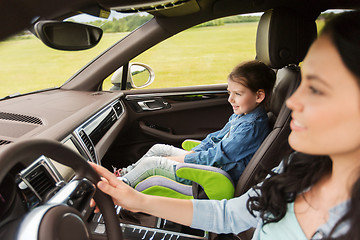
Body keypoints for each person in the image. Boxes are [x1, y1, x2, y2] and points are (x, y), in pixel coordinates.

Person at [90, 11, 360, 239]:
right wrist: (137, 200)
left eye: (317, 89)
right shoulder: (297, 168)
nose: (294, 101)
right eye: (302, 83)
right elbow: (232, 215)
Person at [116, 60, 276, 187]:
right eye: (229, 93)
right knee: (157, 149)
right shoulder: (242, 116)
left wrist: (180, 160)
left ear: (259, 96)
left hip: (211, 175)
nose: (230, 99)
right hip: (209, 165)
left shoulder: (251, 127)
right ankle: (123, 174)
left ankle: (119, 187)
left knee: (151, 163)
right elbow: (214, 139)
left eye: (238, 94)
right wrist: (191, 153)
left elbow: (216, 157)